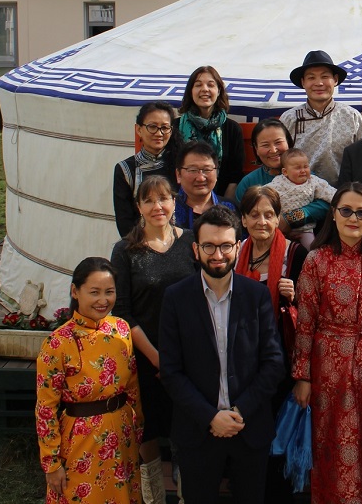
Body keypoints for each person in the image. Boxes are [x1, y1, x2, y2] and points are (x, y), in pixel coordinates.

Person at [158, 206, 285, 504]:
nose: (218, 254)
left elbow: (273, 363)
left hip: (249, 427)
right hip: (197, 430)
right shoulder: (175, 298)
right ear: (195, 249)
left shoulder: (257, 296)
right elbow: (171, 371)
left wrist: (240, 411)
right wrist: (211, 417)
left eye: (226, 246)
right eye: (209, 246)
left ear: (238, 247)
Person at [292, 182, 362, 504]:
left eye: (361, 212)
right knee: (333, 442)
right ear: (334, 215)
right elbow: (305, 322)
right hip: (328, 368)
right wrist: (302, 376)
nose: (353, 218)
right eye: (346, 211)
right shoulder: (316, 260)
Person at [110, 176, 196, 504]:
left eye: (163, 199)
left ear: (175, 202)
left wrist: (177, 358)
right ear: (138, 207)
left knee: (185, 426)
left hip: (187, 356)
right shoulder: (125, 251)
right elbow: (122, 312)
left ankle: (186, 493)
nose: (157, 206)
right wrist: (157, 357)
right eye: (148, 200)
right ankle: (153, 496)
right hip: (144, 357)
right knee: (146, 426)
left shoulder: (191, 242)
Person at [36, 257, 143, 504]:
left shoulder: (121, 329)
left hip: (122, 436)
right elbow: (45, 408)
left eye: (109, 292)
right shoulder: (57, 343)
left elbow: (132, 385)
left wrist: (137, 429)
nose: (103, 300)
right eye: (94, 292)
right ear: (75, 291)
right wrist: (51, 463)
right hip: (80, 442)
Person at [234, 185, 309, 503]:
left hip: (281, 365)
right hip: (242, 366)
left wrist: (296, 297)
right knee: (248, 444)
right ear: (243, 219)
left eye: (269, 214)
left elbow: (312, 315)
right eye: (254, 215)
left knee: (278, 444)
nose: (261, 221)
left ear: (279, 218)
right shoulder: (235, 252)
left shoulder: (296, 255)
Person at [280, 50, 362, 186]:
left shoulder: (353, 117)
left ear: (335, 80)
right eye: (311, 78)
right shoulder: (289, 119)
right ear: (303, 82)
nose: (319, 83)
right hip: (299, 193)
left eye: (325, 76)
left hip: (344, 192)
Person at [177, 65, 245, 199]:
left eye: (210, 85)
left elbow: (235, 176)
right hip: (180, 200)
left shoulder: (232, 129)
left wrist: (222, 205)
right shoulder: (175, 127)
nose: (204, 89)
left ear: (219, 91)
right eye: (198, 85)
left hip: (220, 200)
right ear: (190, 91)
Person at [114, 101, 179, 237]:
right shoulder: (126, 169)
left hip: (178, 240)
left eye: (165, 127)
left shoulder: (180, 165)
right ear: (139, 129)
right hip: (139, 243)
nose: (159, 133)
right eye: (152, 127)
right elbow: (124, 222)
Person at [266, 148, 336, 249]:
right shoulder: (278, 183)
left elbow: (331, 193)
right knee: (280, 249)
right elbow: (264, 195)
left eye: (306, 166)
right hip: (280, 227)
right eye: (298, 168)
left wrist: (342, 201)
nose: (303, 171)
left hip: (305, 230)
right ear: (285, 172)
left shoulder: (313, 182)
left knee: (311, 250)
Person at [172, 140, 237, 232]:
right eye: (193, 170)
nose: (201, 178)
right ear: (178, 175)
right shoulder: (168, 210)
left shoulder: (231, 208)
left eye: (207, 170)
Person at [234, 118, 293, 202]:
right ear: (256, 148)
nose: (273, 150)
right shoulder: (248, 183)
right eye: (265, 145)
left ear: (288, 142)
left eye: (278, 142)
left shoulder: (305, 174)